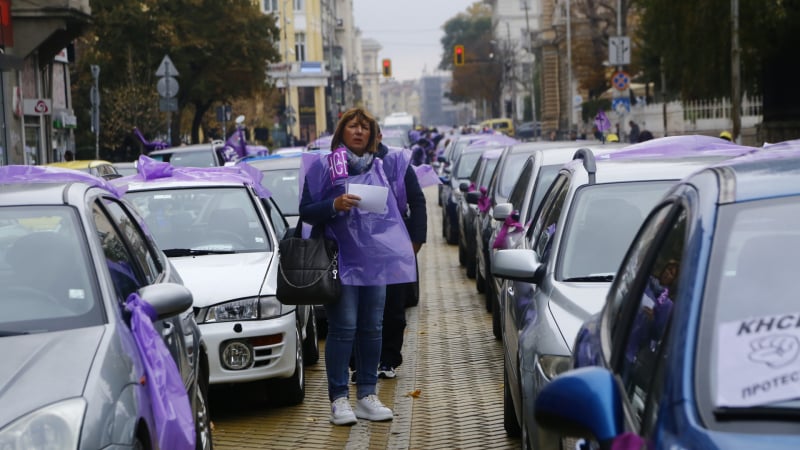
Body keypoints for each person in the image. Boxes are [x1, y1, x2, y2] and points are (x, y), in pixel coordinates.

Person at [299, 107, 417, 426]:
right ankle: (339, 399)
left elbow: (395, 210)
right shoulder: (326, 166)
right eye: (353, 126)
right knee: (343, 328)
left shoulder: (380, 167)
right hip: (340, 261)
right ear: (342, 132)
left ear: (372, 135)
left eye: (365, 127)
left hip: (374, 261)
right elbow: (307, 211)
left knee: (372, 327)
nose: (359, 131)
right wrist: (334, 205)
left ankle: (367, 393)